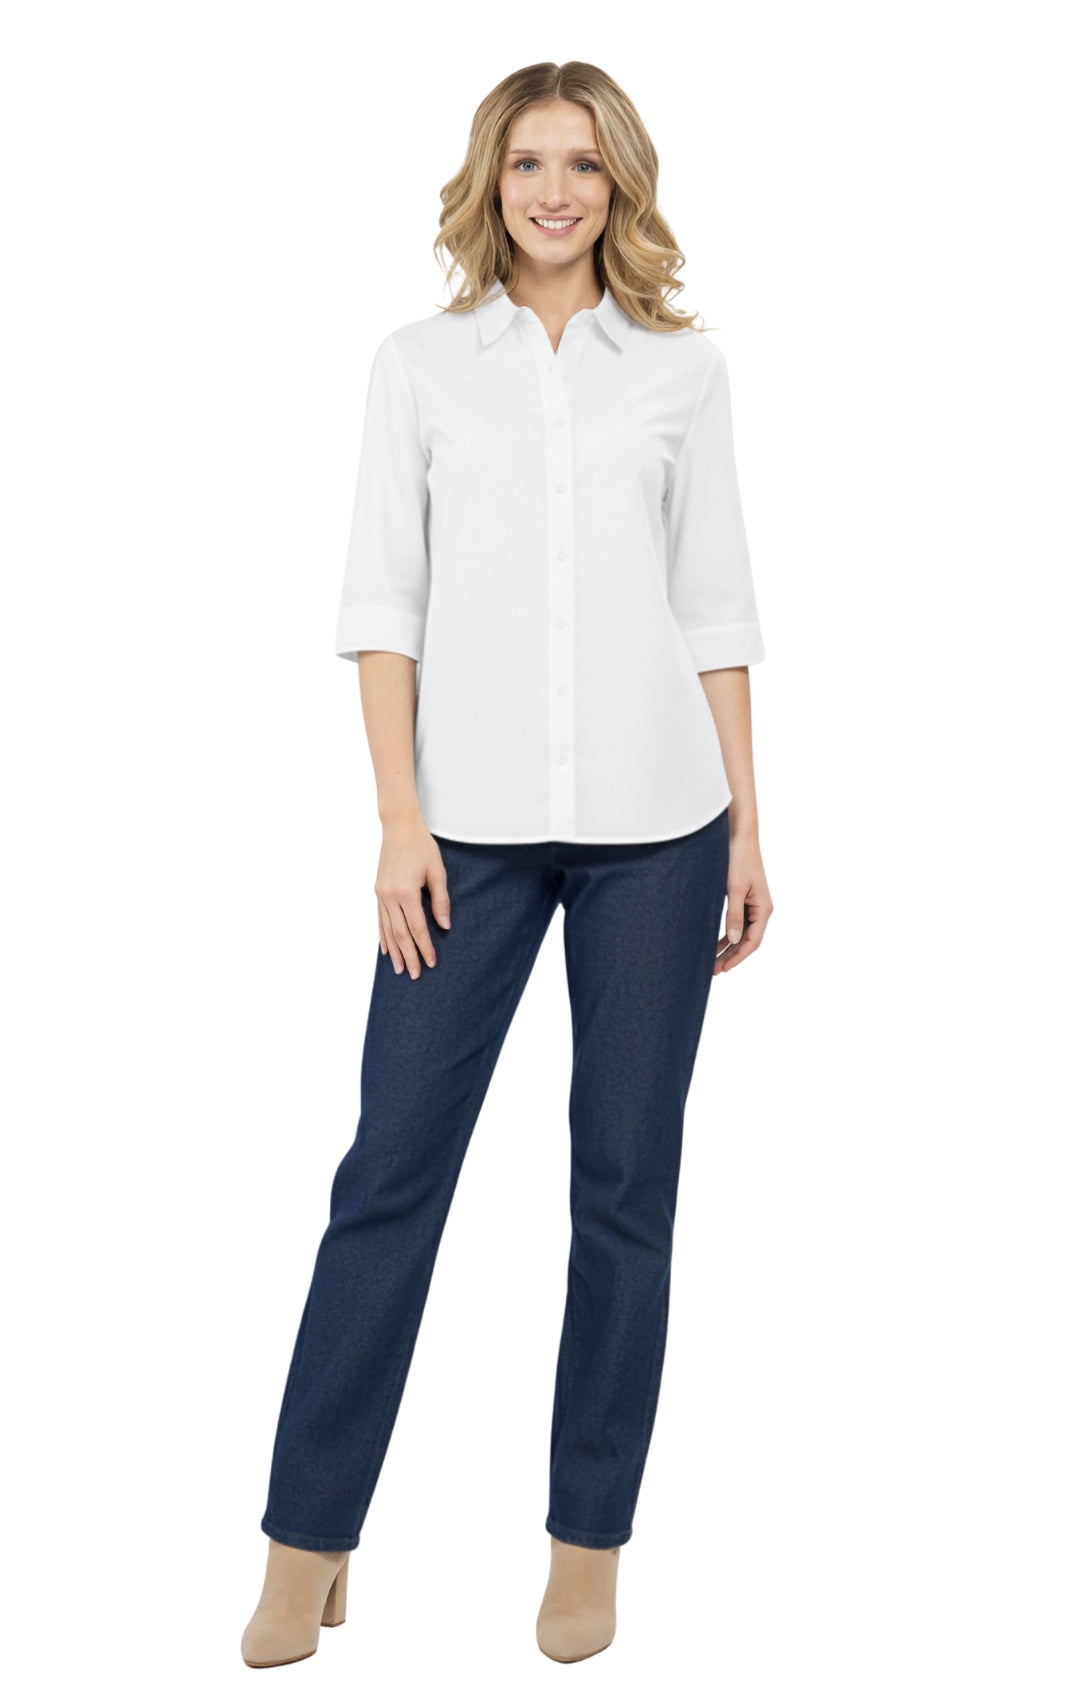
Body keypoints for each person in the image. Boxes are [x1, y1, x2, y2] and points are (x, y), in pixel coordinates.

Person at [241, 59, 773, 1670]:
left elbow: (715, 608)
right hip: (460, 835)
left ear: (622, 187)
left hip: (658, 836)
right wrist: (397, 821)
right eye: (531, 163)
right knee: (388, 1179)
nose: (557, 191)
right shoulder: (418, 366)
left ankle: (585, 1543)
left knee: (625, 1193)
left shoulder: (683, 372)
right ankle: (307, 1538)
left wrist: (749, 824)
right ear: (493, 181)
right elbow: (381, 607)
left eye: (586, 165)